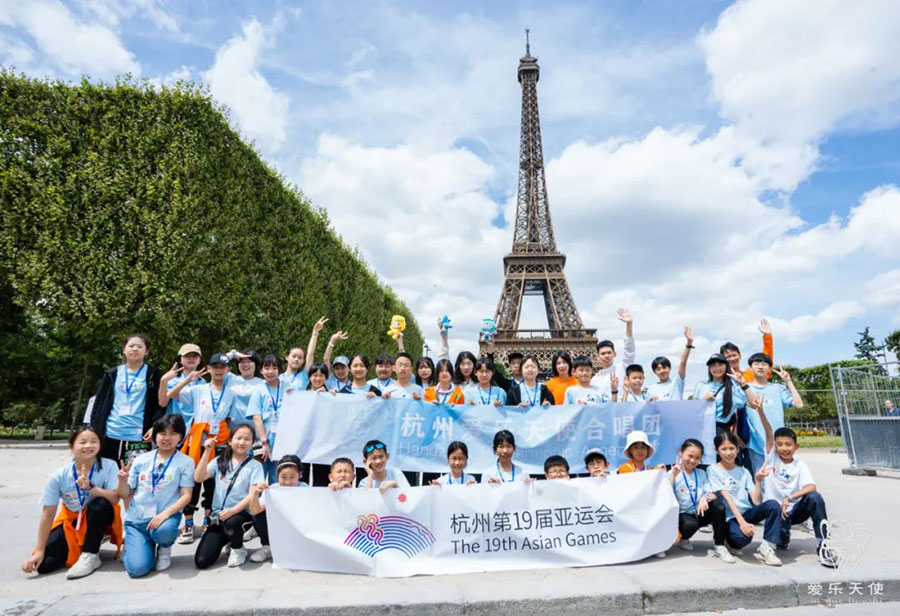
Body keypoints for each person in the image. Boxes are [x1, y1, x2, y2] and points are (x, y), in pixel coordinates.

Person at [22, 426, 121, 579]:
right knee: (44, 565)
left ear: (100, 445)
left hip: (100, 516)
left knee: (100, 504)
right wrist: (40, 550)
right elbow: (48, 514)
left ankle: (91, 554)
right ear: (71, 447)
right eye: (82, 442)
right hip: (72, 520)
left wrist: (91, 488)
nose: (88, 446)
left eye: (94, 441)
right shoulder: (59, 476)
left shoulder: (109, 466)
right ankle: (87, 541)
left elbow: (115, 498)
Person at [167, 352, 237, 543]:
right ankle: (188, 523)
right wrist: (187, 380)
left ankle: (208, 519)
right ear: (209, 369)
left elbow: (231, 418)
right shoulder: (198, 390)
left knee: (213, 484)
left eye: (222, 367)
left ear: (228, 370)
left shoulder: (231, 393)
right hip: (197, 443)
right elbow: (171, 395)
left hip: (220, 444)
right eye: (215, 367)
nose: (219, 370)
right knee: (192, 482)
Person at [117, 415, 194, 577]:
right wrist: (122, 481)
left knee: (164, 531)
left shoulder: (186, 462)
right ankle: (142, 546)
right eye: (162, 433)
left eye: (173, 433)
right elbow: (125, 493)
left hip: (164, 519)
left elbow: (186, 496)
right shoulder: (140, 460)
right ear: (154, 435)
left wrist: (165, 514)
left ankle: (164, 548)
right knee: (137, 570)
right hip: (138, 519)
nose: (167, 438)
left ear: (181, 436)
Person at [707, 427, 784, 566]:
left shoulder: (743, 471)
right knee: (743, 540)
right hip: (730, 518)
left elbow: (756, 500)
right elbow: (726, 497)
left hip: (746, 513)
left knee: (773, 505)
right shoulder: (713, 470)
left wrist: (759, 480)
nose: (728, 453)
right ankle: (727, 539)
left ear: (737, 449)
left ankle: (767, 548)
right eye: (724, 449)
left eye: (732, 448)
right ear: (716, 451)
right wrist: (742, 523)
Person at [762, 427, 837, 568]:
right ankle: (781, 537)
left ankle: (823, 545)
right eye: (779, 444)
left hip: (794, 511)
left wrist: (789, 498)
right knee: (781, 541)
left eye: (788, 444)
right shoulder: (771, 460)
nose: (784, 448)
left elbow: (811, 486)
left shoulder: (800, 465)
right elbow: (768, 432)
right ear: (774, 446)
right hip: (776, 513)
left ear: (796, 447)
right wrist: (760, 410)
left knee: (815, 497)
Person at [193, 423, 264, 569]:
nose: (242, 442)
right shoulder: (220, 461)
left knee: (232, 523)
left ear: (252, 443)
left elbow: (251, 496)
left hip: (241, 515)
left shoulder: (255, 466)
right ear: (230, 441)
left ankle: (238, 549)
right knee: (202, 561)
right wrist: (207, 452)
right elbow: (198, 478)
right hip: (218, 517)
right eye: (238, 438)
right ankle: (229, 538)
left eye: (247, 439)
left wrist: (232, 511)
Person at [90, 333, 162, 464]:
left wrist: (155, 427)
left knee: (134, 478)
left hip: (139, 435)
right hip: (110, 433)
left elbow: (160, 404)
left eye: (140, 346)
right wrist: (94, 430)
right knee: (108, 475)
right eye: (131, 346)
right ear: (124, 350)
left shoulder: (153, 374)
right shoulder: (112, 374)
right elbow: (98, 405)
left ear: (147, 351)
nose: (135, 349)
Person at [667, 439, 731, 562]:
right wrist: (673, 476)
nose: (692, 460)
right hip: (682, 515)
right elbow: (666, 495)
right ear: (681, 453)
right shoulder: (673, 472)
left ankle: (719, 545)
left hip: (699, 511)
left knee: (718, 506)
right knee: (690, 525)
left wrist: (704, 498)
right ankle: (683, 538)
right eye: (690, 456)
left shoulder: (701, 473)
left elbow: (712, 494)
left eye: (697, 458)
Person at [745, 354, 802, 473]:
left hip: (779, 445)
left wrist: (788, 381)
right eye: (756, 364)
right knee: (762, 482)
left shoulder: (778, 388)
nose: (760, 367)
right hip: (757, 446)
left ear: (769, 368)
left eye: (764, 364)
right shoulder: (745, 388)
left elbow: (799, 404)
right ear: (750, 368)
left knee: (781, 481)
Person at [247, 454, 308, 563]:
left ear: (300, 475)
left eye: (292, 477)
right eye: (283, 477)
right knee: (259, 515)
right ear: (277, 476)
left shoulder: (305, 489)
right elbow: (254, 510)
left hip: (296, 529)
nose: (288, 482)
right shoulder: (272, 490)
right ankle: (267, 547)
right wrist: (255, 493)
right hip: (277, 528)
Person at [246, 355, 284, 483]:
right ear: (261, 371)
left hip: (282, 442)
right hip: (261, 441)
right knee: (258, 479)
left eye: (274, 368)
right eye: (266, 368)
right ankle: (256, 503)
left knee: (278, 479)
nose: (270, 371)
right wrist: (264, 442)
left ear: (280, 370)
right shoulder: (259, 390)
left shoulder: (288, 388)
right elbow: (256, 417)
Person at [692, 354, 750, 436]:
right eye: (713, 365)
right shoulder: (701, 385)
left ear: (727, 366)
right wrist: (703, 401)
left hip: (721, 431)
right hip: (701, 429)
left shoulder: (734, 387)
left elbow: (751, 403)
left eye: (720, 365)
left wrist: (743, 384)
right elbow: (694, 410)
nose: (717, 368)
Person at [590, 308, 636, 399]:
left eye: (609, 353)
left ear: (614, 354)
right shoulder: (594, 380)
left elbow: (629, 350)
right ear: (598, 357)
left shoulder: (623, 368)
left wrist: (629, 324)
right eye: (603, 354)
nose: (606, 356)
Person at [280, 316, 332, 392]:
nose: (296, 359)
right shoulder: (278, 378)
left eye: (300, 357)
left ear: (303, 360)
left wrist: (315, 332)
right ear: (287, 357)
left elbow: (310, 353)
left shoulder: (304, 375)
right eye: (294, 356)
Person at [158, 343, 203, 427]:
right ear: (180, 359)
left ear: (199, 360)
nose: (191, 359)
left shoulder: (202, 382)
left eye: (195, 356)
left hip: (195, 426)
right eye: (187, 356)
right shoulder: (172, 379)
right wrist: (164, 381)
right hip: (174, 425)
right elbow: (163, 403)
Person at [721, 318, 774, 383]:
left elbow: (766, 360)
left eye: (734, 355)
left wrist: (767, 336)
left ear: (740, 355)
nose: (732, 359)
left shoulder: (750, 375)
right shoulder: (720, 377)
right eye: (728, 357)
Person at [647, 327, 693, 401]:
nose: (662, 371)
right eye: (658, 369)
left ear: (670, 368)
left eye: (664, 367)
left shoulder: (677, 382)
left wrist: (689, 343)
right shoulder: (651, 390)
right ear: (654, 372)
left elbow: (683, 362)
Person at [227, 350, 264, 421]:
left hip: (254, 428)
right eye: (242, 362)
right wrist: (233, 354)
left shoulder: (263, 384)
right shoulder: (229, 379)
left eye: (249, 361)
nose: (245, 364)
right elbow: (216, 362)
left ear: (256, 364)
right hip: (232, 429)